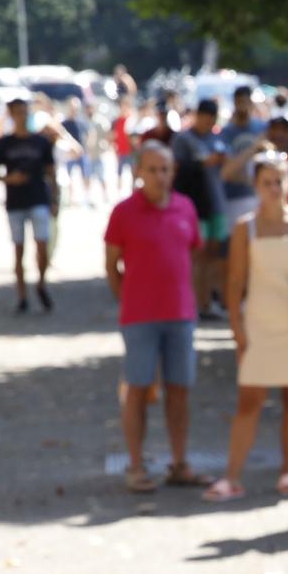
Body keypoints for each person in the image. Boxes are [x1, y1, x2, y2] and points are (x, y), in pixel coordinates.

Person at [204, 152, 288, 502]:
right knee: (249, 402)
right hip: (260, 324)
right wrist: (237, 330)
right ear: (256, 186)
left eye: (280, 180)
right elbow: (235, 283)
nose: (275, 188)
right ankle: (232, 476)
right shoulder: (244, 227)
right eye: (267, 182)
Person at [106, 141, 208, 493]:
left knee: (179, 390)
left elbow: (193, 258)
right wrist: (128, 300)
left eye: (165, 169)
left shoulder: (185, 208)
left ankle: (179, 462)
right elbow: (112, 265)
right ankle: (136, 464)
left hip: (179, 314)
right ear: (138, 171)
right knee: (137, 390)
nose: (159, 177)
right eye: (152, 169)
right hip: (139, 317)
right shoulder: (123, 212)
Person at [0, 95, 62, 314]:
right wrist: (9, 179)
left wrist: (55, 199)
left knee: (42, 245)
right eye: (17, 112)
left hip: (38, 197)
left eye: (24, 112)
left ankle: (40, 282)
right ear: (11, 115)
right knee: (18, 250)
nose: (21, 116)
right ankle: (22, 295)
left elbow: (51, 173)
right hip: (15, 201)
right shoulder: (4, 143)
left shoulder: (40, 142)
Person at [171, 98, 231, 317]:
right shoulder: (183, 140)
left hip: (217, 203)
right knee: (198, 255)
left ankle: (209, 300)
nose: (208, 122)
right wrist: (202, 163)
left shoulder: (217, 138)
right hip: (195, 205)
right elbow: (176, 169)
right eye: (206, 117)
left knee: (215, 254)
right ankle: (195, 302)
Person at [217, 84, 267, 228]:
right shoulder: (226, 132)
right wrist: (253, 149)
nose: (243, 107)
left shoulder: (262, 127)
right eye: (240, 102)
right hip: (234, 196)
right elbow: (226, 172)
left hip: (257, 195)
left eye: (246, 102)